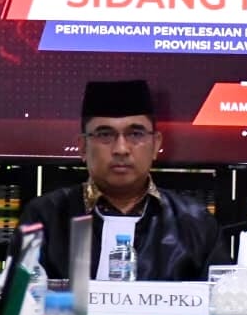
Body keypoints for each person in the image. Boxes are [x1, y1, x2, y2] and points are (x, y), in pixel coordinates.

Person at [15, 79, 222, 281]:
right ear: (83, 147)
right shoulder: (44, 218)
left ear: (156, 144)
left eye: (136, 134)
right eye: (105, 134)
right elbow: (19, 298)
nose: (121, 149)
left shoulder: (195, 223)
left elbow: (221, 297)